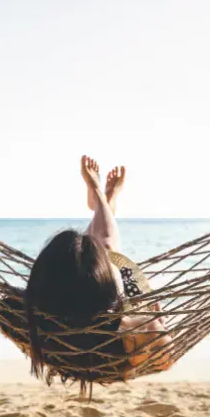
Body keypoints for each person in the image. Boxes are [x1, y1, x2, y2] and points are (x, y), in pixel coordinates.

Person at [24, 156, 173, 382]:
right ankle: (101, 200)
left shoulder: (40, 317)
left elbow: (5, 309)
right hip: (114, 323)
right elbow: (165, 359)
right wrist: (156, 321)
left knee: (99, 247)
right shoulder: (138, 326)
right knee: (106, 245)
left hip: (79, 328)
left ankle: (102, 202)